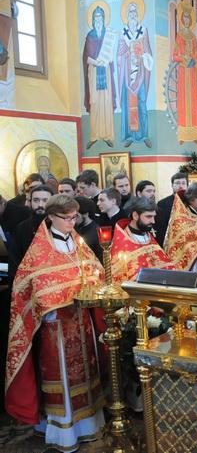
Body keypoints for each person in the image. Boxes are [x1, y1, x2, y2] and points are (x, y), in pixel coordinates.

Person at [6, 194, 105, 452]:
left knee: (87, 369)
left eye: (75, 217)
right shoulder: (39, 249)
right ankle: (65, 431)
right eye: (67, 218)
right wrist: (54, 300)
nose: (73, 222)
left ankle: (88, 425)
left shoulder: (77, 242)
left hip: (81, 320)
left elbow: (95, 272)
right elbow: (30, 284)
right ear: (51, 217)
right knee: (62, 375)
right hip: (55, 325)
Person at [110, 197, 173, 285]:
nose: (153, 221)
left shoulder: (147, 235)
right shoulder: (122, 242)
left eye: (154, 216)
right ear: (135, 215)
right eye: (148, 216)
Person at [117, 0, 153, 147]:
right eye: (130, 12)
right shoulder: (123, 33)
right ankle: (130, 136)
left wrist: (141, 55)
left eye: (134, 11)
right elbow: (119, 54)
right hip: (127, 75)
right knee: (128, 105)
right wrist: (128, 53)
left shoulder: (143, 31)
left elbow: (148, 51)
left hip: (140, 75)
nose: (132, 14)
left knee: (142, 103)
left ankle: (144, 135)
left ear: (138, 14)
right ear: (127, 14)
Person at [82, 4, 115, 149]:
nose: (98, 19)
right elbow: (86, 58)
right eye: (96, 17)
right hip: (94, 72)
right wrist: (96, 62)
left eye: (100, 16)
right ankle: (94, 135)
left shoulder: (109, 35)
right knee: (95, 103)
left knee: (106, 103)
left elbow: (112, 55)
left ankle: (108, 135)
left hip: (106, 71)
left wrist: (107, 61)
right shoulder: (90, 36)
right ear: (93, 19)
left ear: (104, 18)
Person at [8, 184, 54, 279]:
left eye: (45, 200)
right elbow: (15, 260)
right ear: (30, 201)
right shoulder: (21, 228)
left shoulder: (60, 225)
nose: (40, 205)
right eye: (36, 200)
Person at [173, 2, 197, 144]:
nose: (185, 20)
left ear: (190, 20)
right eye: (183, 18)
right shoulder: (179, 36)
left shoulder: (193, 37)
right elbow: (175, 55)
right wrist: (184, 59)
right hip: (184, 72)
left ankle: (194, 135)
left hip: (192, 72)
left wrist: (194, 61)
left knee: (193, 103)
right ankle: (183, 135)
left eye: (187, 18)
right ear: (181, 19)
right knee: (184, 102)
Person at [155, 172, 189, 246]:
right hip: (170, 244)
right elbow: (161, 229)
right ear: (172, 185)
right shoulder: (162, 204)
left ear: (187, 186)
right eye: (177, 183)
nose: (180, 186)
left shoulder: (192, 202)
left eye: (183, 183)